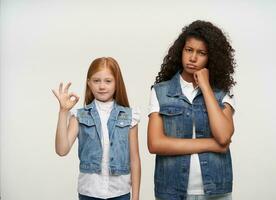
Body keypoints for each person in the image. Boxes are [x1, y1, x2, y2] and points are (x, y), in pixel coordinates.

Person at [147, 20, 236, 200]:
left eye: (201, 53)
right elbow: (155, 144)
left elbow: (224, 136)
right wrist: (212, 145)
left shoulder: (220, 94)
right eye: (189, 50)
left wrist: (205, 86)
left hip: (216, 191)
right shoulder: (160, 91)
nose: (193, 58)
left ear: (211, 58)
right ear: (181, 51)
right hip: (171, 190)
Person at [52, 57, 141, 200]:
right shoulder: (79, 116)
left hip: (120, 192)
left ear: (117, 83)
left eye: (108, 81)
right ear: (89, 83)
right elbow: (61, 150)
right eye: (96, 81)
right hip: (89, 193)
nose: (102, 86)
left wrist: (135, 197)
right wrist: (63, 111)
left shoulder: (130, 116)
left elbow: (135, 159)